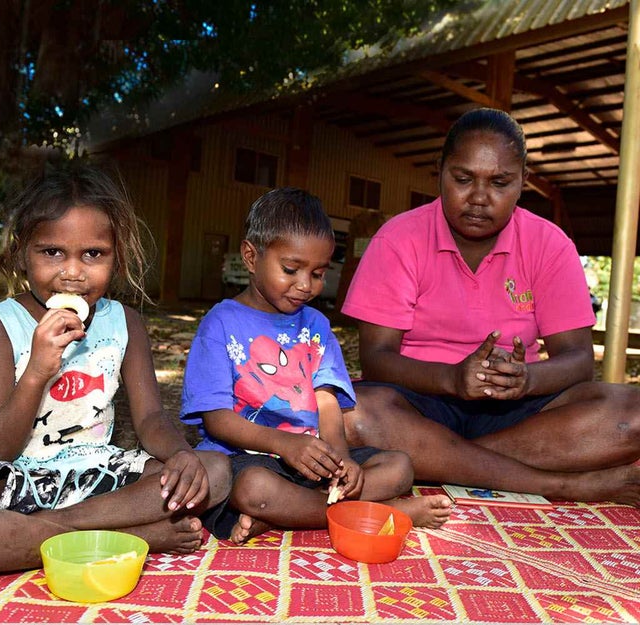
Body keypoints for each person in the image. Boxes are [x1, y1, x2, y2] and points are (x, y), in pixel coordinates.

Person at [0, 165, 231, 576]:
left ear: (116, 257)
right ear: (23, 252)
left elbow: (149, 418)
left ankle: (46, 532)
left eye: (92, 254)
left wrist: (181, 455)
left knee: (212, 472)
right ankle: (138, 536)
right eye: (52, 251)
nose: (72, 272)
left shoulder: (123, 322)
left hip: (92, 474)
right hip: (5, 478)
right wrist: (37, 370)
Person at [342, 107, 640, 506]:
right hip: (419, 397)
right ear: (440, 170)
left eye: (500, 182)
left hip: (518, 409)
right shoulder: (397, 239)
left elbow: (579, 360)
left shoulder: (550, 245)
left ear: (523, 182)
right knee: (352, 415)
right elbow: (377, 358)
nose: (479, 198)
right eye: (463, 179)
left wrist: (527, 380)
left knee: (633, 414)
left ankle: (441, 458)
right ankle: (563, 484)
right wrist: (452, 379)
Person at [180, 188, 451, 544]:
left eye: (319, 273)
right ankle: (381, 512)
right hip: (246, 459)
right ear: (250, 256)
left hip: (312, 461)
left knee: (399, 467)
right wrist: (284, 445)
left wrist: (341, 461)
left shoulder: (316, 326)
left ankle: (291, 513)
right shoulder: (220, 323)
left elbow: (326, 400)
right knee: (254, 489)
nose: (306, 285)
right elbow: (217, 419)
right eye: (291, 269)